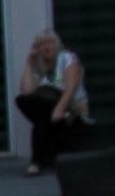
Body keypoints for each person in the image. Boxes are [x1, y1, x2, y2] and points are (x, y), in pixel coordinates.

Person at [16, 30, 95, 175]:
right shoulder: (39, 65)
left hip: (71, 109)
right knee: (23, 101)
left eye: (50, 43)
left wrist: (59, 110)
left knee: (42, 114)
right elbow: (27, 91)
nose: (46, 47)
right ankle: (38, 161)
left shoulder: (67, 58)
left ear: (57, 44)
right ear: (37, 48)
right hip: (50, 110)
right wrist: (29, 62)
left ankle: (36, 163)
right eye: (42, 44)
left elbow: (71, 87)